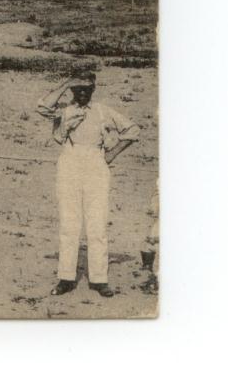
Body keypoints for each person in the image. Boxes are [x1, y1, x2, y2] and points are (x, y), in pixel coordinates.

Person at [38, 71, 140, 298]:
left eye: (87, 89)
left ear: (93, 90)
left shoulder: (103, 111)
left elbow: (133, 130)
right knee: (69, 223)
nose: (82, 93)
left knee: (97, 223)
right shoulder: (65, 111)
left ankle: (99, 279)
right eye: (78, 89)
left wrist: (111, 154)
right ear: (72, 90)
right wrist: (66, 83)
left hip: (96, 165)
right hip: (69, 163)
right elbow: (43, 107)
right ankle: (65, 278)